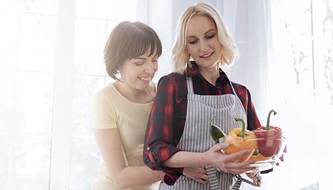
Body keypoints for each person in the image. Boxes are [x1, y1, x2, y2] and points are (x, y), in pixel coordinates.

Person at [143, 2, 269, 189]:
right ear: (186, 47)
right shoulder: (173, 85)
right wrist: (204, 159)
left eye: (210, 36)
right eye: (193, 41)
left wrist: (264, 157)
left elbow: (257, 147)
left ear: (222, 36)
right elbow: (153, 151)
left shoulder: (241, 94)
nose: (203, 48)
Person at [91, 21, 208, 190]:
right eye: (139, 63)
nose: (150, 69)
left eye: (154, 60)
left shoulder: (164, 92)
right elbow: (121, 177)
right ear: (118, 63)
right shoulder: (105, 100)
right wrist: (179, 168)